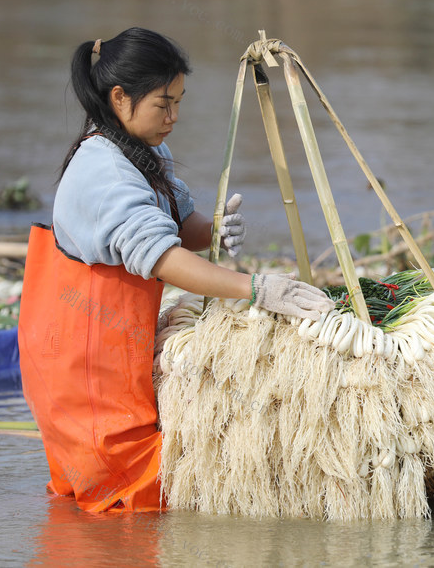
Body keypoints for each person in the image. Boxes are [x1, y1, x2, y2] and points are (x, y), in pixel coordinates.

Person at [17, 27, 334, 513]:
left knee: (123, 499)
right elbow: (163, 259)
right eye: (163, 104)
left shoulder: (142, 149)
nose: (174, 118)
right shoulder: (101, 171)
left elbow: (178, 228)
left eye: (179, 103)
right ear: (120, 98)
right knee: (130, 501)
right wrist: (256, 289)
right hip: (81, 366)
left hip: (118, 350)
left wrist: (214, 228)